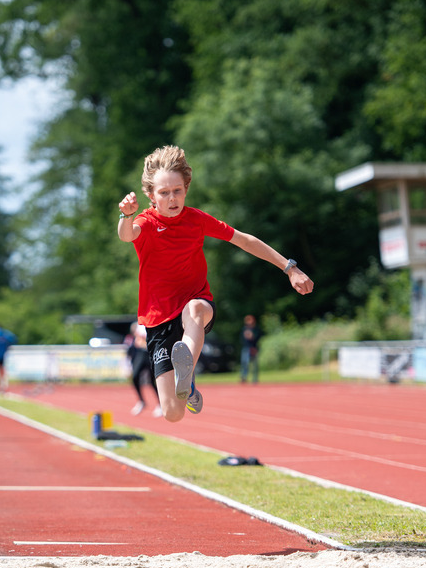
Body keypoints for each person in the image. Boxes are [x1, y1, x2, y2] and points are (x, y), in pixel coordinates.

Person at [117, 145, 313, 422]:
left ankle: (186, 364)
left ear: (186, 188)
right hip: (157, 318)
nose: (172, 198)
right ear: (151, 196)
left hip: (195, 302)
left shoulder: (196, 220)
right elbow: (127, 235)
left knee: (195, 310)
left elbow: (244, 240)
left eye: (177, 191)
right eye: (164, 193)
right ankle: (189, 382)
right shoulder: (145, 222)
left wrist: (289, 267)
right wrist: (125, 215)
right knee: (173, 413)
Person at [125, 321, 162, 416]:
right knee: (135, 376)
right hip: (142, 354)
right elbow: (138, 341)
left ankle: (161, 404)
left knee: (152, 380)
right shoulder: (140, 324)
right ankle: (141, 401)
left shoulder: (154, 321)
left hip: (151, 353)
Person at [240, 314, 262, 383]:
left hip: (254, 348)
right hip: (246, 348)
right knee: (244, 363)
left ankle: (255, 378)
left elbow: (256, 338)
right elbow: (242, 339)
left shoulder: (256, 329)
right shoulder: (244, 329)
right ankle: (244, 376)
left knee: (255, 365)